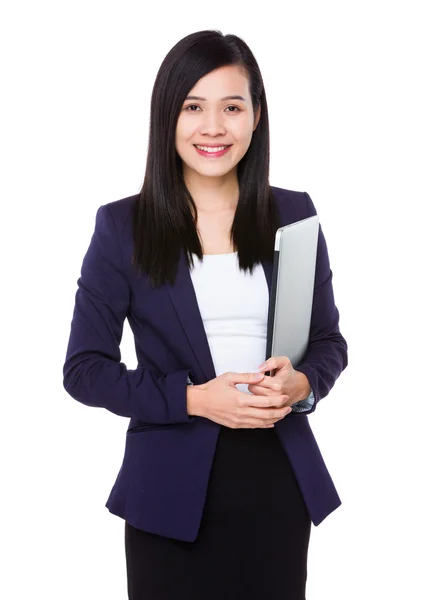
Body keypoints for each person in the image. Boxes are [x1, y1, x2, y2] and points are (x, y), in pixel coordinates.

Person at [63, 29, 348, 600]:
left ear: (255, 116)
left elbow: (328, 342)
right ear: (167, 115)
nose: (213, 127)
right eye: (193, 107)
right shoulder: (122, 226)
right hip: (167, 492)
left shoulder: (294, 213)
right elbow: (84, 369)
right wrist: (195, 398)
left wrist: (302, 383)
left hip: (277, 482)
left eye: (232, 107)